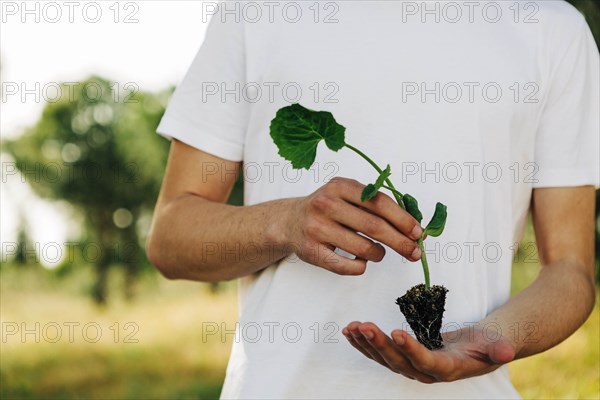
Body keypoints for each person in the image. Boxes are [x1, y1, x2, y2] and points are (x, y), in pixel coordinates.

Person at [147, 1, 599, 398]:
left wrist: (498, 337)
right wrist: (285, 223)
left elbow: (570, 270)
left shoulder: (551, 27)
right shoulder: (256, 10)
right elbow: (171, 237)